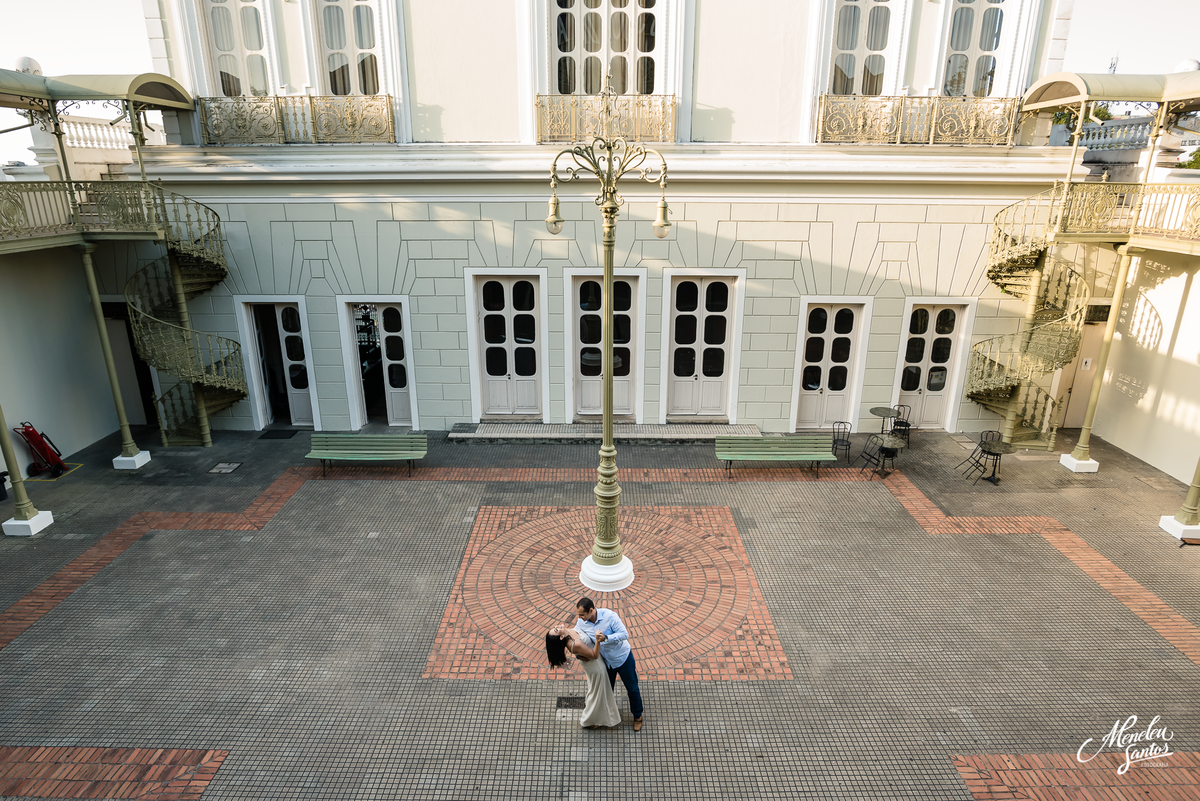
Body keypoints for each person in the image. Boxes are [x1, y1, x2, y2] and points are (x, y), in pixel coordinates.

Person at [573, 597, 644, 731]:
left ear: (591, 610)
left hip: (622, 658)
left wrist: (606, 638)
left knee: (632, 688)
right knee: (605, 691)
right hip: (605, 661)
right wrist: (578, 653)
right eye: (579, 614)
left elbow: (624, 634)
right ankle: (602, 718)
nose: (580, 617)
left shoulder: (610, 616)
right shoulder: (581, 622)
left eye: (582, 614)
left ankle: (638, 716)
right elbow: (578, 637)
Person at [546, 622, 621, 728]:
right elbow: (594, 655)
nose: (557, 626)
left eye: (554, 627)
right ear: (561, 637)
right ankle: (590, 720)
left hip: (591, 663)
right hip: (596, 666)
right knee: (597, 692)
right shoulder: (574, 644)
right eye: (556, 630)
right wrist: (598, 640)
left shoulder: (567, 632)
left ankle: (595, 713)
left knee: (595, 690)